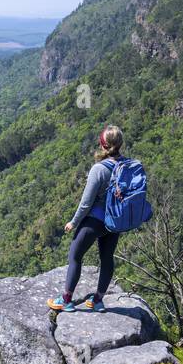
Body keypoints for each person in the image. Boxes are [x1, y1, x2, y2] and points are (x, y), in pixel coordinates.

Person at [47, 124, 124, 313]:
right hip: (115, 222)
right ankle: (98, 300)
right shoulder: (127, 165)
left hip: (95, 222)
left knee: (75, 256)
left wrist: (73, 222)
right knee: (107, 258)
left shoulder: (99, 169)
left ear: (103, 144)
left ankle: (66, 300)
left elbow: (86, 203)